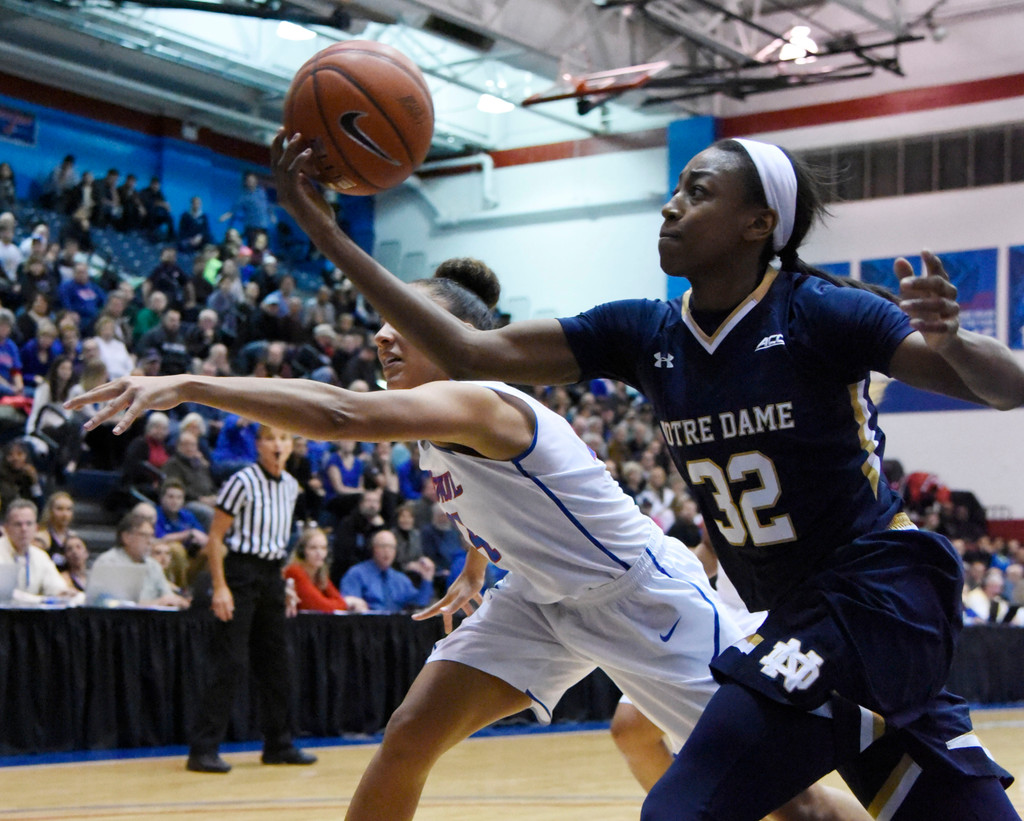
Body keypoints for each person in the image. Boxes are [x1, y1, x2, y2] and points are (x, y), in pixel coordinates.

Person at [264, 131, 1024, 819]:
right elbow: (471, 352)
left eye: (698, 191)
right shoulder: (647, 332)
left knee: (681, 810)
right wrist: (324, 230)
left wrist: (955, 340)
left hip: (875, 597)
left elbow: (1005, 386)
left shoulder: (820, 312)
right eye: (677, 188)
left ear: (760, 224)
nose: (671, 203)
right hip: (800, 612)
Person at [67, 260, 810, 821]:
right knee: (410, 732)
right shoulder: (430, 426)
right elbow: (501, 503)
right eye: (383, 320)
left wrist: (190, 383)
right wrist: (478, 563)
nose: (384, 333)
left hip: (642, 595)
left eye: (406, 321)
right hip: (541, 598)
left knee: (786, 792)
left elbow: (339, 414)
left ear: (454, 341)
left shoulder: (485, 402)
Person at [185, 424, 315, 773]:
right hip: (239, 574)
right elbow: (215, 538)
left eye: (284, 438)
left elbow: (278, 542)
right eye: (271, 438)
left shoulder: (291, 486)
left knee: (277, 662)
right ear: (258, 444)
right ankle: (203, 749)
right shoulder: (241, 481)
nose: (277, 445)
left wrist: (282, 582)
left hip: (271, 576)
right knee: (229, 661)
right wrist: (221, 586)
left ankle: (278, 744)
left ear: (291, 446)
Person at [91, 512, 190, 608]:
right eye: (144, 535)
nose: (149, 541)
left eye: (151, 536)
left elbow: (167, 596)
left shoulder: (153, 565)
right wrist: (154, 603)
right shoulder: (108, 562)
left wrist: (179, 601)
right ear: (126, 537)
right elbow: (106, 603)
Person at [340, 529, 434, 613]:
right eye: (383, 546)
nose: (387, 551)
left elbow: (420, 603)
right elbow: (349, 605)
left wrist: (427, 579)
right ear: (373, 549)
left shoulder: (400, 579)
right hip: (367, 626)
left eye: (391, 547)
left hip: (396, 628)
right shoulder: (356, 574)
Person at [284, 526, 367, 613]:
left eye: (323, 548)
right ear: (302, 551)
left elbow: (336, 599)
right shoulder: (294, 572)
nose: (319, 553)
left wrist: (343, 603)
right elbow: (320, 606)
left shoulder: (320, 574)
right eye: (313, 548)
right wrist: (346, 602)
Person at [0, 499, 72, 598]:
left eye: (29, 524)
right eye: (18, 524)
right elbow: (5, 594)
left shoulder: (40, 556)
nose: (24, 529)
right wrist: (39, 600)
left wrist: (65, 593)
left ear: (36, 529)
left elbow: (57, 587)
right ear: (6, 528)